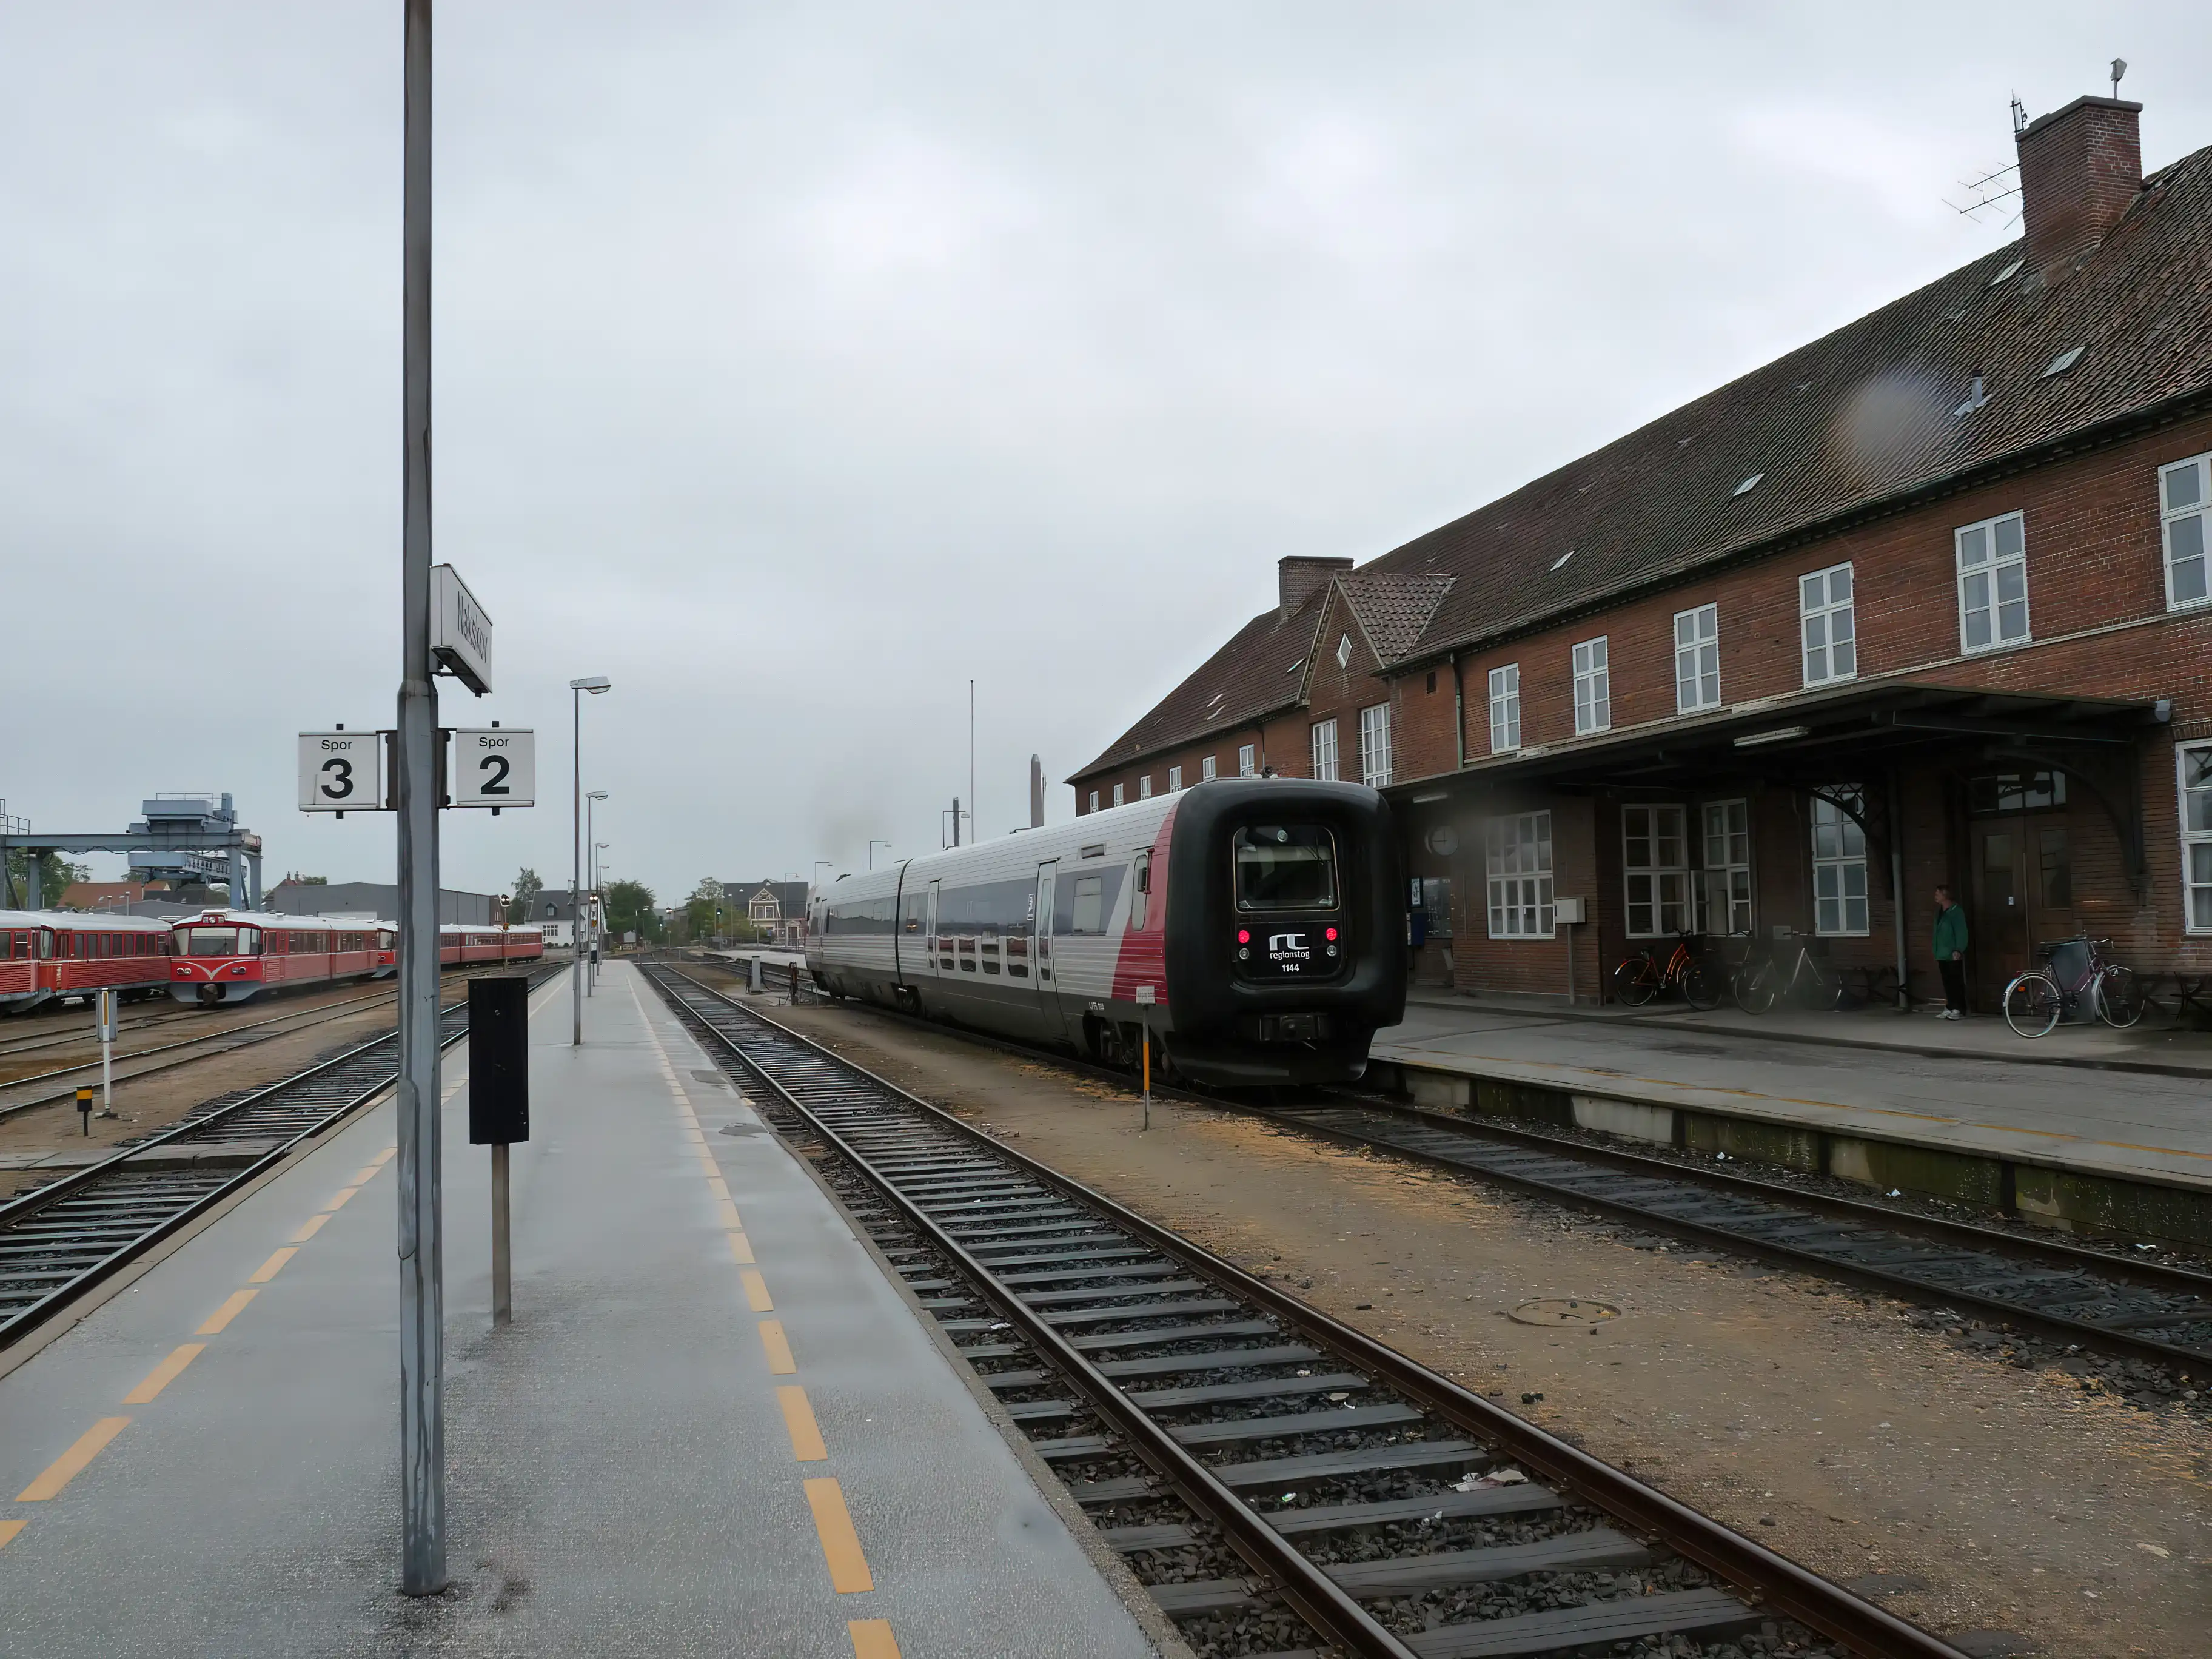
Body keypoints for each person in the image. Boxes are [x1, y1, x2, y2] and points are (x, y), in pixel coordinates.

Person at [1932, 885, 1969, 1019]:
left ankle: (1959, 1008)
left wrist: (1958, 949)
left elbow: (1961, 931)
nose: (1936, 896)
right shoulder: (1940, 912)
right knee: (1947, 981)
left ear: (1945, 895)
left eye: (1938, 894)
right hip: (1941, 952)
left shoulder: (1956, 912)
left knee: (1956, 981)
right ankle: (1950, 1006)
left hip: (1952, 952)